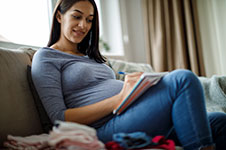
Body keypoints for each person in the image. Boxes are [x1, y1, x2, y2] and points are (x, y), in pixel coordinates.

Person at [31, 0, 226, 149]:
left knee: (219, 121)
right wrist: (119, 98)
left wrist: (136, 84)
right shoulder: (46, 57)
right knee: (183, 79)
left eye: (89, 20)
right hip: (101, 128)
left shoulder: (92, 57)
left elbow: (110, 87)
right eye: (77, 16)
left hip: (131, 113)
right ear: (59, 16)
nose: (83, 25)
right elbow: (59, 118)